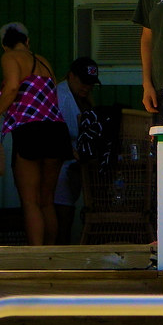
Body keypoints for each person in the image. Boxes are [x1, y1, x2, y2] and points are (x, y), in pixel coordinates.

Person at [0, 22, 72, 245]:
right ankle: (50, 253)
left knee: (30, 201)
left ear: (4, 45)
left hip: (32, 130)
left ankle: (36, 257)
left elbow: (13, 86)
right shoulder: (44, 62)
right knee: (47, 200)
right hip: (56, 130)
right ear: (27, 41)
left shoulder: (10, 57)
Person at [53, 56, 100, 244]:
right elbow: (59, 131)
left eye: (91, 84)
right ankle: (61, 247)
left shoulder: (79, 97)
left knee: (68, 207)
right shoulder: (61, 96)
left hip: (73, 157)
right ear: (71, 76)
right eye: (83, 82)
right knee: (63, 209)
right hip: (61, 159)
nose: (87, 87)